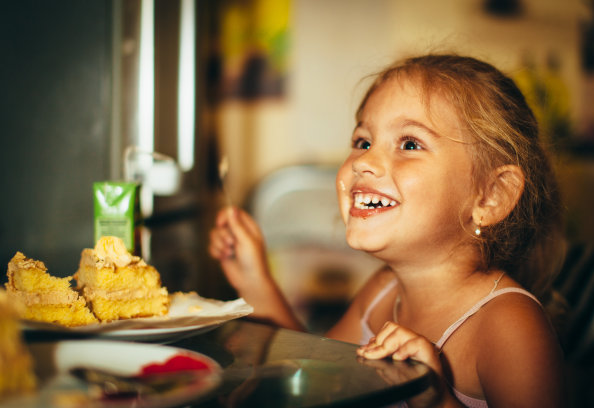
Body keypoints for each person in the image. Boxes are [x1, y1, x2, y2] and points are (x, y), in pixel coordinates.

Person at [209, 54, 566, 407]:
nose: (362, 161)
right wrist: (255, 283)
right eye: (363, 142)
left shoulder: (509, 326)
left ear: (491, 196)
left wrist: (436, 400)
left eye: (410, 144)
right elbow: (311, 375)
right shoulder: (382, 290)